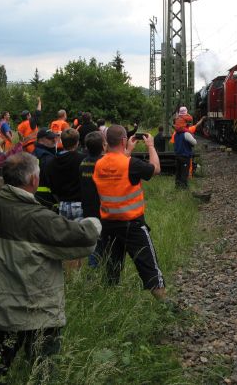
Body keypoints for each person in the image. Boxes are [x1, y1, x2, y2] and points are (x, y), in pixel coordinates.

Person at [0, 152, 101, 378]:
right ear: (33, 180)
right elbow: (84, 239)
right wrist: (93, 220)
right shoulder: (39, 218)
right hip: (38, 313)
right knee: (43, 372)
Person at [92, 125, 165, 299]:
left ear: (106, 142)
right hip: (132, 225)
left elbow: (116, 167)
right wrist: (151, 146)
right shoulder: (131, 164)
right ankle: (164, 304)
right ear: (124, 140)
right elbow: (156, 169)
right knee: (149, 267)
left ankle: (109, 303)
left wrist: (128, 150)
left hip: (108, 225)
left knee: (112, 268)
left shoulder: (99, 164)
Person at [79, 131, 106, 267]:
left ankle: (93, 267)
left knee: (94, 239)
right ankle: (102, 266)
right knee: (105, 239)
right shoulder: (103, 162)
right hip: (102, 207)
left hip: (88, 207)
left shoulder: (83, 163)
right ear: (103, 146)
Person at [47, 129, 85, 221]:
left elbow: (51, 184)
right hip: (81, 204)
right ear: (77, 143)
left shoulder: (52, 161)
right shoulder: (83, 159)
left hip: (62, 204)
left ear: (61, 142)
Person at [32, 128, 59, 210]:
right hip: (47, 199)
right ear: (41, 140)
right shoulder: (47, 158)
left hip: (35, 197)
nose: (54, 140)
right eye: (50, 138)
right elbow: (54, 181)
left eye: (54, 138)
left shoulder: (35, 153)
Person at [174, 122, 197, 189]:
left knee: (178, 172)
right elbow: (194, 142)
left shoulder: (176, 134)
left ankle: (177, 186)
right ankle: (184, 187)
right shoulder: (186, 134)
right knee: (184, 172)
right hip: (185, 156)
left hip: (177, 155)